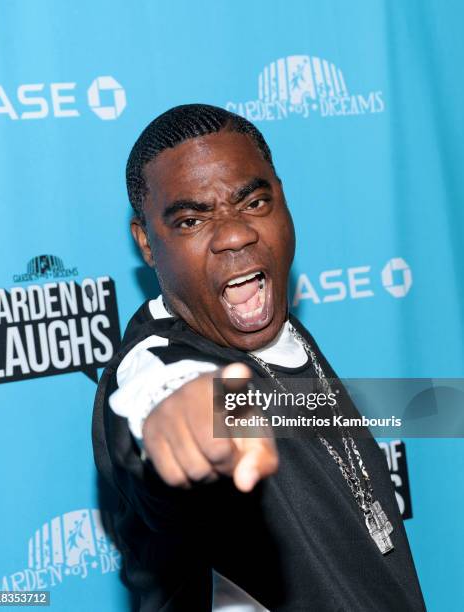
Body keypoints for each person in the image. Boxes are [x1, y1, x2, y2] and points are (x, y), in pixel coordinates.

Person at [92, 104, 426, 611]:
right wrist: (183, 413)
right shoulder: (154, 358)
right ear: (147, 243)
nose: (233, 234)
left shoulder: (265, 317)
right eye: (190, 220)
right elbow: (163, 395)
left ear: (283, 200)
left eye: (253, 203)